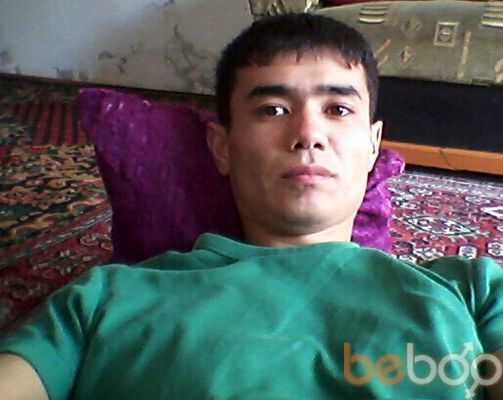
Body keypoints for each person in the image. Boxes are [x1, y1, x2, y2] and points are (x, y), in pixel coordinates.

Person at [0, 13, 502, 400]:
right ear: (222, 148)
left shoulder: (472, 290)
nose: (308, 133)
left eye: (338, 109)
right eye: (273, 109)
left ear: (373, 146)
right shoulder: (103, 300)